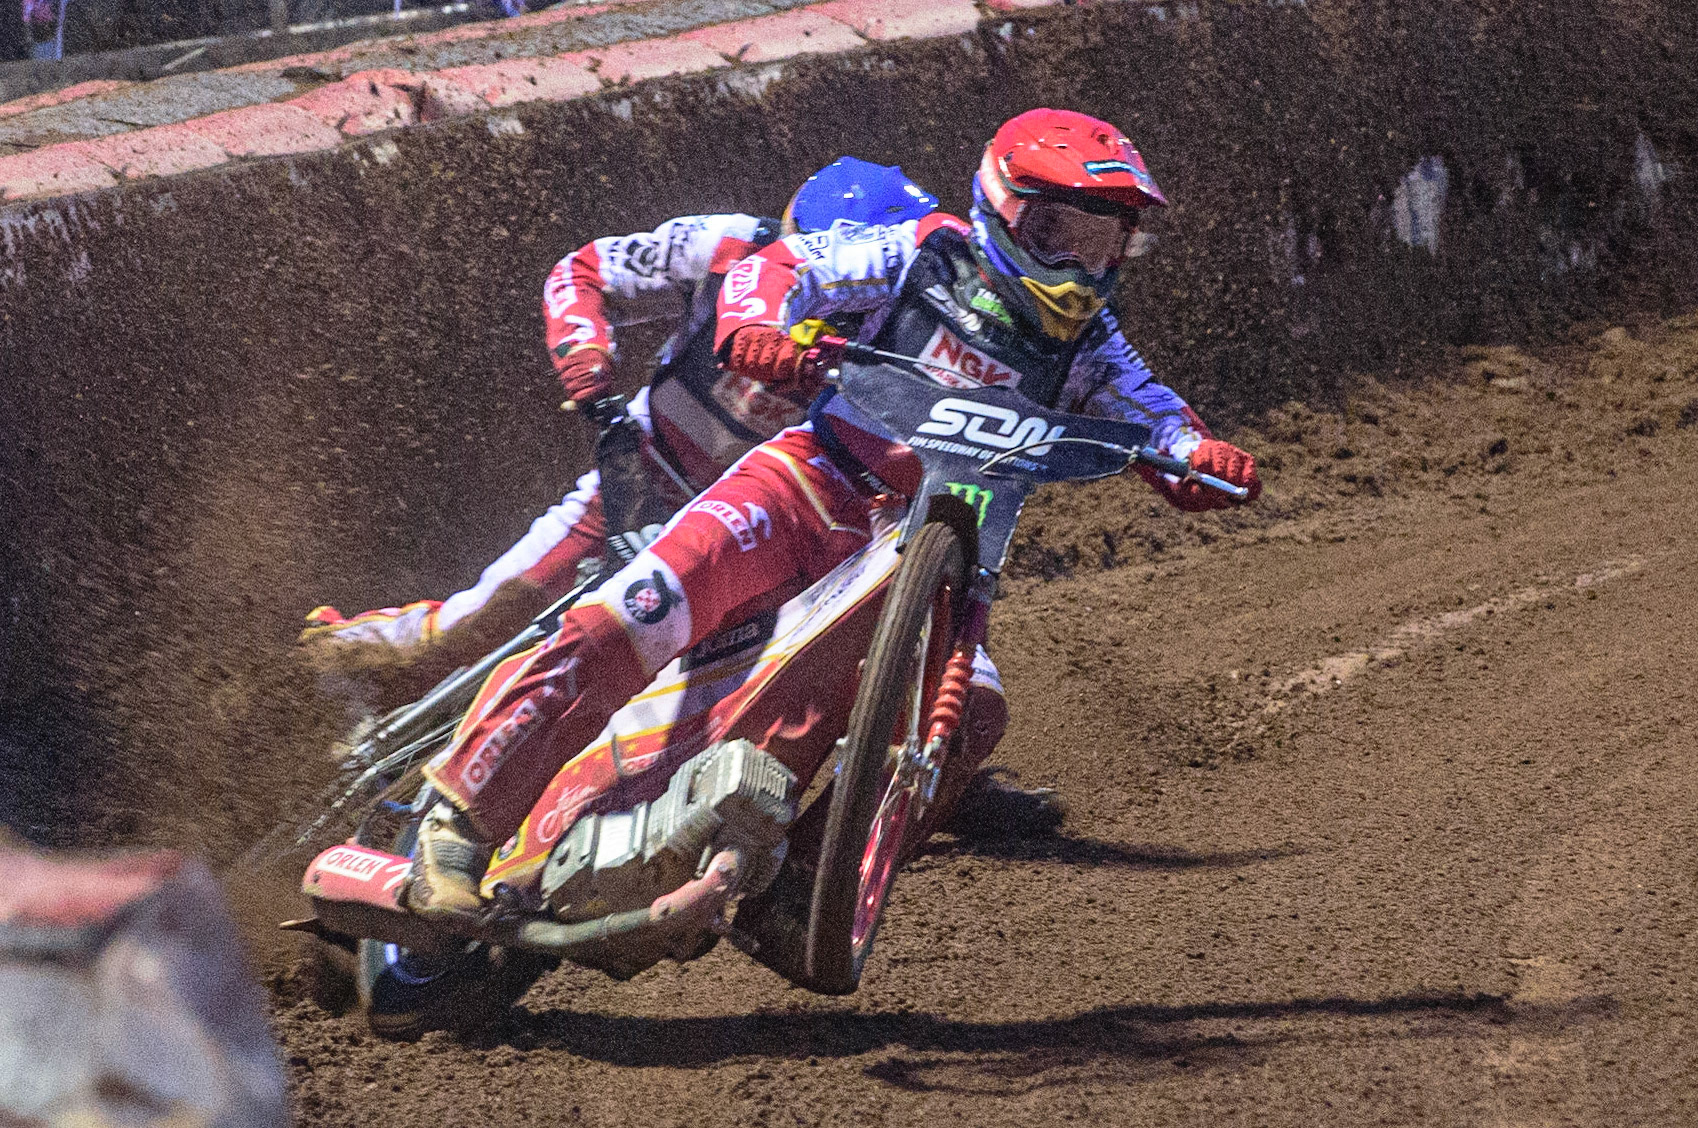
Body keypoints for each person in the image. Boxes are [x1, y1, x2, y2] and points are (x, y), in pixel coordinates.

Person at [404, 109, 1263, 925]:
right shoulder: (926, 251)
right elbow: (789, 267)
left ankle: (805, 896)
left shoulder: (1092, 343)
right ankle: (457, 827)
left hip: (931, 548)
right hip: (804, 486)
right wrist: (754, 329)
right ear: (1005, 213)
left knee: (967, 725)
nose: (1076, 268)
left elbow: (1158, 416)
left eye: (1100, 244)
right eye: (1056, 238)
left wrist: (1200, 459)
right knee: (633, 613)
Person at [299, 158, 941, 714]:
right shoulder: (728, 247)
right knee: (483, 622)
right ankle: (325, 661)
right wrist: (587, 361)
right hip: (636, 479)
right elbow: (581, 271)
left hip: (764, 531)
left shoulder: (917, 331)